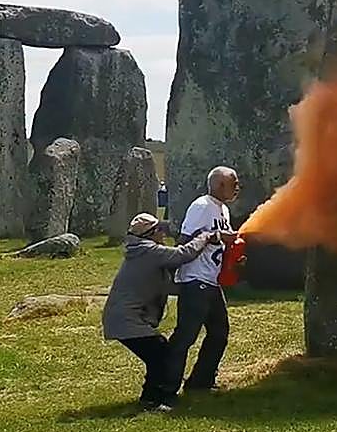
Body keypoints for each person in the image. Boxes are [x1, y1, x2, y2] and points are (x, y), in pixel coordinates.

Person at [101, 213, 224, 411]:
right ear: (151, 234)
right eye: (159, 230)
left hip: (124, 318)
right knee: (161, 355)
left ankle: (150, 398)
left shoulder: (142, 252)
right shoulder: (148, 251)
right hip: (127, 320)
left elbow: (167, 286)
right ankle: (154, 400)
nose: (163, 233)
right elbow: (183, 254)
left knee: (158, 355)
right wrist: (205, 237)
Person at [161, 166, 243, 402]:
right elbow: (184, 241)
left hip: (211, 282)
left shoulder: (223, 210)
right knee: (185, 337)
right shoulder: (202, 207)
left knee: (219, 333)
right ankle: (165, 390)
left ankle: (200, 382)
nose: (237, 187)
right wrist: (173, 275)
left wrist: (233, 256)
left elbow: (218, 244)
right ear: (219, 185)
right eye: (233, 182)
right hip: (195, 280)